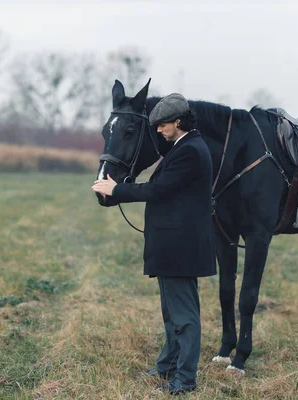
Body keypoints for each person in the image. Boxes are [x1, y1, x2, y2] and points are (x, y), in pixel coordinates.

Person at [92, 93, 216, 395]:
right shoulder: (182, 147)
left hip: (181, 247)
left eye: (162, 125)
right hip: (172, 246)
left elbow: (160, 189)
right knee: (171, 314)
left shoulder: (191, 150)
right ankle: (167, 366)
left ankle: (185, 379)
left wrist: (118, 189)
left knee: (185, 317)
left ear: (177, 122)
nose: (158, 130)